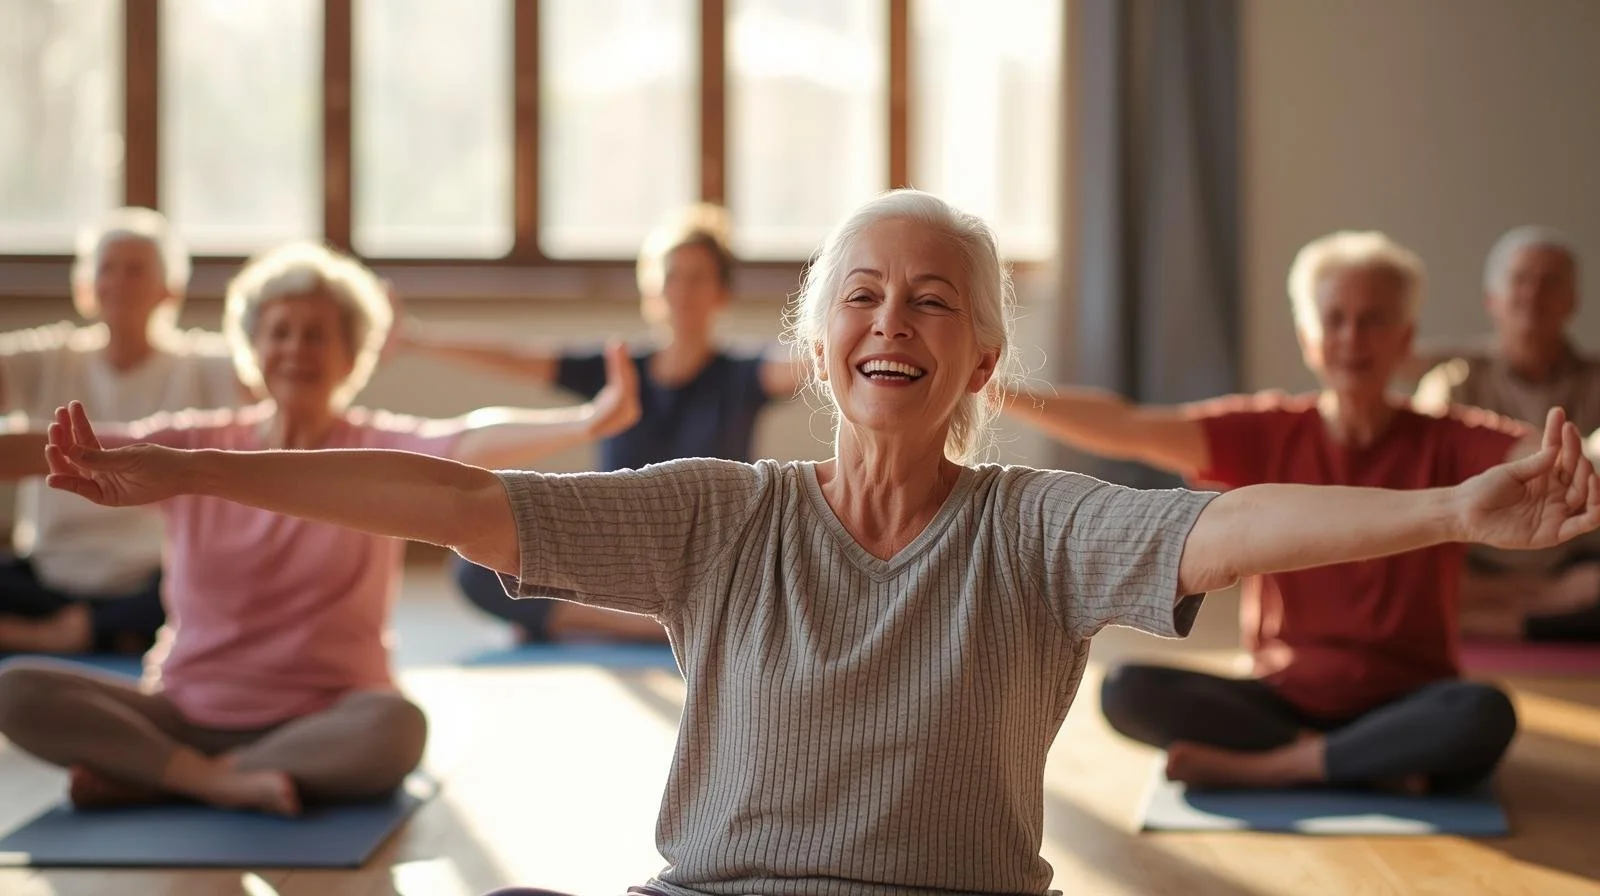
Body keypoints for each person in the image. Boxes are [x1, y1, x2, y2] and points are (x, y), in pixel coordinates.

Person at [33, 193, 1600, 894]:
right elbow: (443, 501)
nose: (891, 319)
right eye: (860, 291)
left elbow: (1232, 523)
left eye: (933, 299)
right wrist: (182, 471)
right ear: (819, 336)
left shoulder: (1036, 528)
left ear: (981, 361)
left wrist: (1453, 510)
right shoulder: (721, 513)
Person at [0, 241, 639, 816]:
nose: (296, 351)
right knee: (17, 689)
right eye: (281, 333)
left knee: (397, 728)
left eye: (316, 336)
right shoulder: (196, 441)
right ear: (254, 347)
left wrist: (586, 421)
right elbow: (72, 450)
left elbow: (470, 439)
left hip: (327, 718)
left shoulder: (378, 448)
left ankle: (172, 780)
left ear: (349, 355)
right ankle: (210, 777)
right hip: (183, 712)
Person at [1007, 231, 1543, 793]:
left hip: (1407, 698)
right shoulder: (1267, 431)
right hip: (1280, 700)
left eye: (1373, 320)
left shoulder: (1448, 439)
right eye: (1334, 319)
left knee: (1484, 713)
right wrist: (994, 389)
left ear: (1405, 337)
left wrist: (1578, 459)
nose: (1351, 338)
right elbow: (1128, 425)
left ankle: (1274, 769)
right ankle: (1364, 764)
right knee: (1125, 688)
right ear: (1308, 339)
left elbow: (1538, 454)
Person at [400, 204, 801, 644]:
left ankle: (609, 621)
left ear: (722, 294)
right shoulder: (618, 369)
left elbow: (806, 364)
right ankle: (655, 626)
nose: (682, 291)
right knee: (476, 564)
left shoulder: (743, 375)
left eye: (697, 278)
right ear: (651, 292)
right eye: (671, 277)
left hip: (705, 561)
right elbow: (519, 356)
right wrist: (418, 340)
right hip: (618, 558)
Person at [0, 208, 245, 656]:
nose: (119, 282)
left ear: (168, 290)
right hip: (48, 572)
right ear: (85, 287)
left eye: (136, 270)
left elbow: (263, 378)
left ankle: (68, 634)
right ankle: (81, 633)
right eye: (107, 269)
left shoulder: (198, 364)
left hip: (149, 579)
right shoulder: (52, 358)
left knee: (216, 586)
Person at [1414, 226, 1600, 641]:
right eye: (1520, 280)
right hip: (1476, 561)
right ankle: (1540, 607)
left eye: (1550, 282)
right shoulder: (1454, 383)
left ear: (1572, 301)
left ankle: (1504, 618)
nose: (1534, 294)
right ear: (1492, 300)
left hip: (1575, 559)